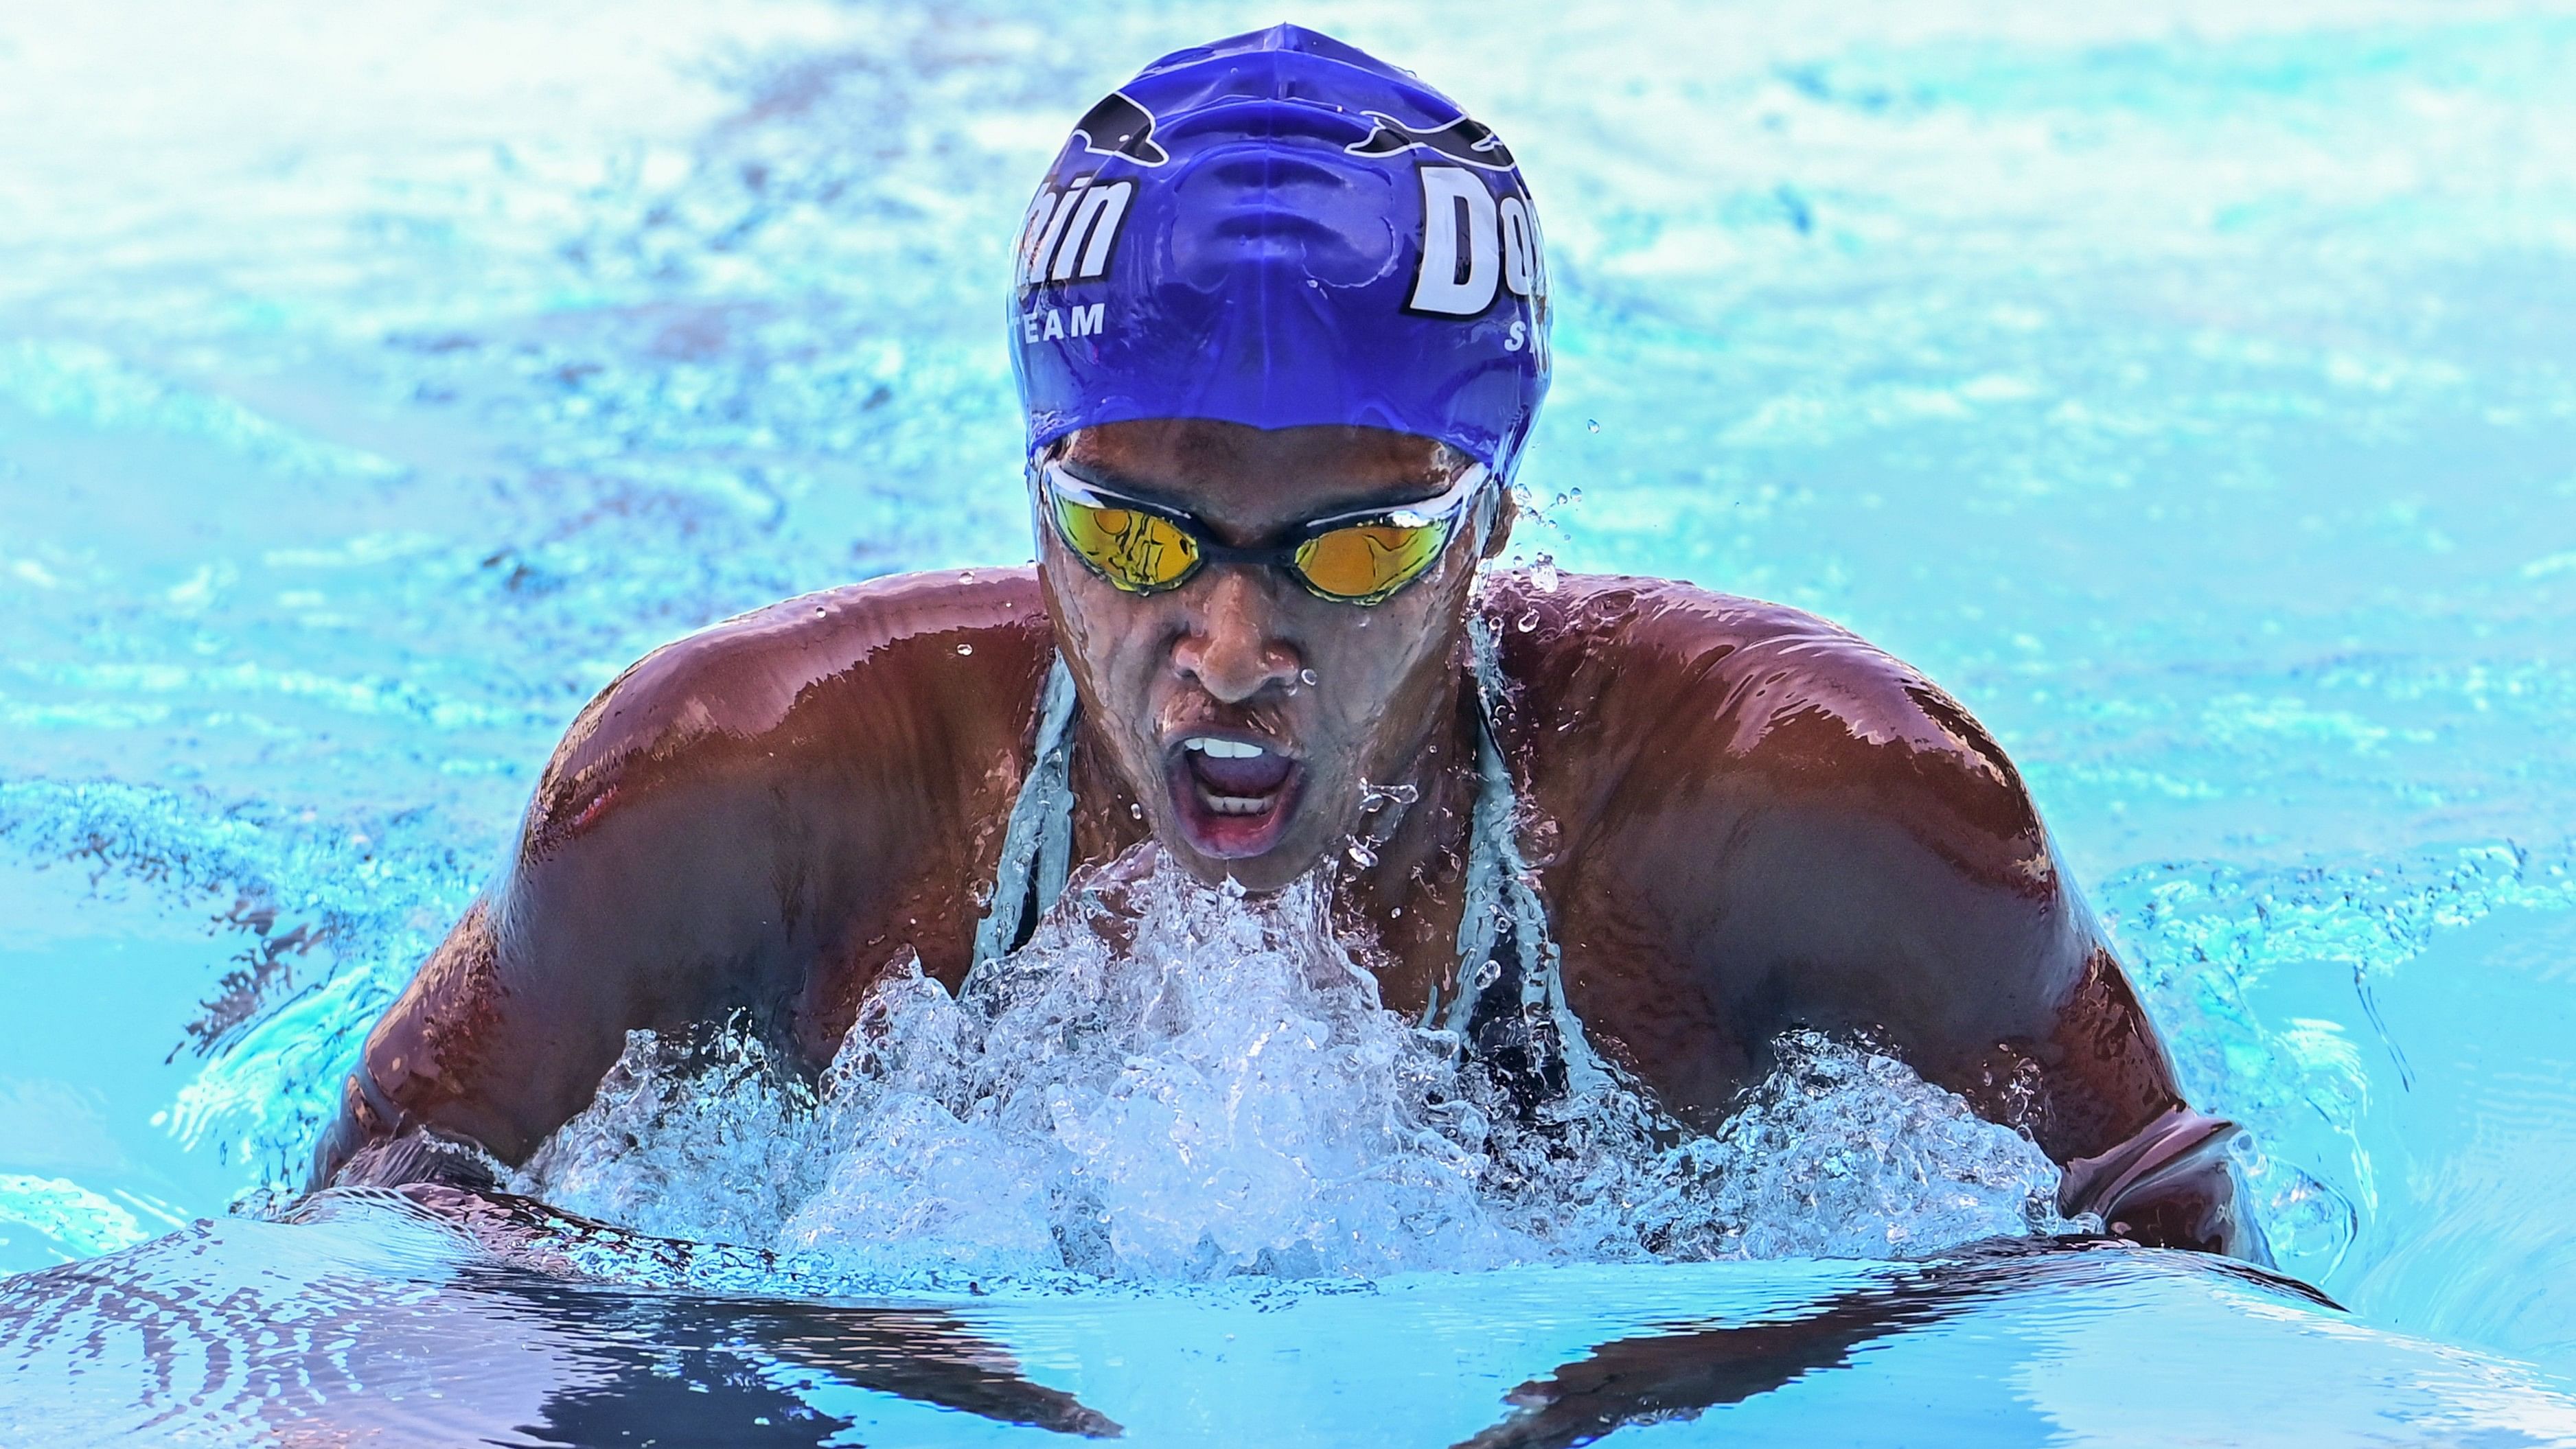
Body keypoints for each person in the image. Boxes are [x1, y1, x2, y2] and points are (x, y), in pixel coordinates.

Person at [310, 25, 2257, 1258]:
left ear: (1493, 516)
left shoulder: (1817, 806)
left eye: (1349, 549)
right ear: (1033, 492)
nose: (1226, 644)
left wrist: (1698, 1377)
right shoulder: (730, 786)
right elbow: (375, 1237)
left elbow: (2174, 1277)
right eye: (1136, 533)